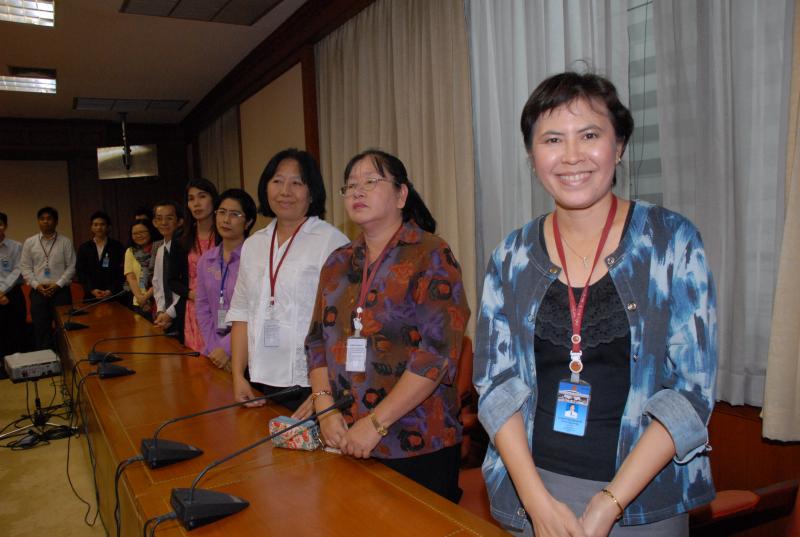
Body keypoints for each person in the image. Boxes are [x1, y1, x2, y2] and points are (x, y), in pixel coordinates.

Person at [474, 72, 717, 537]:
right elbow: (495, 385)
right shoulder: (511, 256)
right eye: (552, 139)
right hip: (532, 493)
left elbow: (691, 391)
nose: (572, 156)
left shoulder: (672, 241)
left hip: (643, 498)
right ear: (532, 156)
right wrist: (536, 501)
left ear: (619, 145)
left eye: (589, 135)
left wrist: (610, 503)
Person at [305, 149, 470, 503]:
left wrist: (376, 424)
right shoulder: (337, 262)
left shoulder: (431, 254)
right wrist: (325, 409)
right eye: (350, 185)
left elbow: (436, 355)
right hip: (344, 433)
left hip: (417, 440)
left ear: (401, 195)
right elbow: (316, 341)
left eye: (371, 181)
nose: (357, 191)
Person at [227, 148, 348, 411]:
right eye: (277, 181)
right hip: (258, 378)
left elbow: (343, 325)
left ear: (312, 192)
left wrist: (322, 392)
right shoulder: (254, 244)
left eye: (297, 183)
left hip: (309, 382)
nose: (285, 191)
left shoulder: (331, 241)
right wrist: (237, 374)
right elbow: (241, 312)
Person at [195, 189, 256, 372]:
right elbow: (202, 308)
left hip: (249, 351)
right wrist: (215, 348)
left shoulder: (255, 259)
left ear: (248, 222)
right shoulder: (206, 260)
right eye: (221, 212)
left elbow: (255, 311)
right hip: (214, 353)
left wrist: (227, 349)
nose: (226, 220)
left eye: (235, 214)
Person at [171, 179, 220, 353]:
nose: (196, 203)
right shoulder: (181, 237)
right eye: (191, 199)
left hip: (222, 307)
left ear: (213, 199)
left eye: (202, 196)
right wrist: (192, 294)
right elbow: (172, 280)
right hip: (193, 308)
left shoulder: (224, 233)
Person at [20, 206, 77, 350]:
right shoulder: (30, 242)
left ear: (56, 221)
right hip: (39, 292)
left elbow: (71, 266)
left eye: (49, 219)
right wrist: (36, 285)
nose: (46, 222)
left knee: (63, 328)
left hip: (61, 292)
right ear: (38, 221)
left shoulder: (65, 242)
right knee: (41, 329)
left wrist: (58, 284)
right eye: (42, 219)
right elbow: (25, 267)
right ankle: (45, 358)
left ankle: (65, 359)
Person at [151, 201, 185, 339]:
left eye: (169, 218)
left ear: (180, 221)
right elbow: (157, 283)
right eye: (159, 219)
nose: (164, 223)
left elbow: (186, 285)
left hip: (182, 311)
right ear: (154, 222)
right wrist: (161, 311)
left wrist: (170, 313)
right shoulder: (160, 250)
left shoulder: (185, 248)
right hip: (165, 315)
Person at [75, 211, 125, 302]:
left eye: (102, 224)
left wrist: (111, 290)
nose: (99, 227)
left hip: (114, 295)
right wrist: (92, 290)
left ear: (108, 227)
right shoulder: (84, 248)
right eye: (95, 225)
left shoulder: (117, 246)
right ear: (91, 227)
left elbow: (121, 271)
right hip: (91, 295)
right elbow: (81, 272)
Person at [0, 211, 26, 372]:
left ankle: (17, 366)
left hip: (13, 293)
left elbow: (18, 270)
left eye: (0, 224)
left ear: (5, 226)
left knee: (15, 330)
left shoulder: (16, 246)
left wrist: (2, 290)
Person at [123, 219, 160, 320]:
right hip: (139, 302)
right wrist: (140, 297)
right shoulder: (130, 251)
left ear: (150, 231)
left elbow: (160, 277)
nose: (139, 235)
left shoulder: (159, 248)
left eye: (142, 232)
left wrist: (146, 296)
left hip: (158, 300)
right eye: (135, 233)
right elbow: (131, 277)